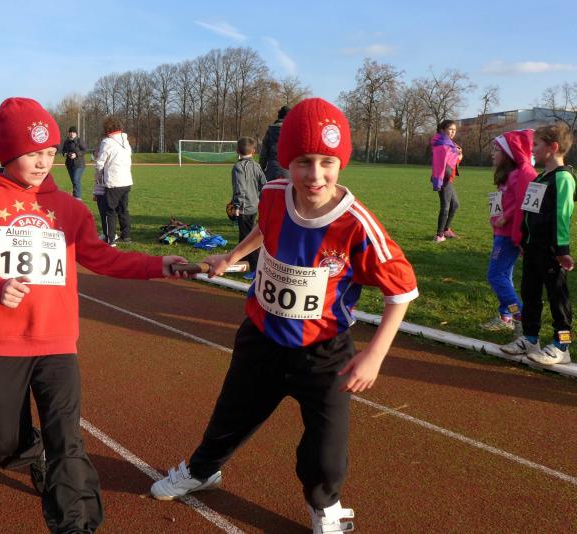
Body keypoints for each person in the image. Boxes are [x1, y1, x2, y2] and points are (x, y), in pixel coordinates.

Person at [150, 98, 419, 533]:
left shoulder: (357, 225)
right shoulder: (274, 193)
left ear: (341, 163)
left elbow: (402, 290)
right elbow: (265, 227)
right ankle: (202, 471)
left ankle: (324, 505)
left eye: (327, 163)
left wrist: (375, 355)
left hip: (323, 352)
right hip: (261, 336)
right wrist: (231, 257)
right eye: (303, 162)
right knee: (229, 418)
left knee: (326, 451)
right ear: (286, 162)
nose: (315, 175)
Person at [0, 97, 189, 533]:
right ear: (7, 152)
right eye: (32, 153)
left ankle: (76, 524)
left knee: (67, 439)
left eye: (50, 152)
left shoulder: (69, 208)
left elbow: (103, 258)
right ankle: (28, 451)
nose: (43, 162)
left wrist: (157, 265)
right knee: (4, 440)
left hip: (55, 340)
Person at [500, 123, 575, 365]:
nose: (532, 149)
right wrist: (523, 239)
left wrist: (562, 250)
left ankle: (562, 345)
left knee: (557, 298)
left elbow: (562, 216)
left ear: (553, 147)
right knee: (530, 294)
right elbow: (529, 211)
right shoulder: (541, 177)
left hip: (551, 251)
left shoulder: (563, 178)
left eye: (537, 145)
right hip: (532, 249)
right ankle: (530, 338)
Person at [480, 130, 536, 332]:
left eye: (496, 150)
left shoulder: (518, 175)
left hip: (507, 236)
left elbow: (522, 202)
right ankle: (506, 317)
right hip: (500, 233)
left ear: (508, 153)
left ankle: (520, 315)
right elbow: (503, 201)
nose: (492, 153)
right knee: (505, 276)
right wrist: (496, 217)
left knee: (495, 276)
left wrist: (506, 217)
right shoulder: (506, 176)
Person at [230, 136, 267, 279]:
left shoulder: (238, 167)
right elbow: (264, 184)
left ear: (237, 150)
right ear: (254, 151)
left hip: (244, 207)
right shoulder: (256, 165)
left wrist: (237, 205)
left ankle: (256, 268)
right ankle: (241, 261)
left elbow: (240, 188)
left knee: (247, 238)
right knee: (245, 234)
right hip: (254, 205)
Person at [94, 117, 133, 245]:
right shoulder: (125, 141)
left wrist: (97, 175)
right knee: (123, 210)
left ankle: (110, 239)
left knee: (109, 211)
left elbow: (100, 163)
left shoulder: (107, 142)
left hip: (113, 182)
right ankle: (126, 236)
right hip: (126, 181)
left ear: (107, 129)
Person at [430, 120, 463, 242]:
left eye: (455, 130)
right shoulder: (442, 144)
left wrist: (457, 154)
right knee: (446, 206)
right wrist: (458, 156)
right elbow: (441, 164)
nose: (453, 132)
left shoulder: (448, 143)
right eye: (450, 129)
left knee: (455, 205)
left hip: (448, 179)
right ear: (442, 130)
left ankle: (445, 230)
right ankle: (439, 235)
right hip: (444, 179)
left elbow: (451, 160)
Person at [259, 105, 290, 181]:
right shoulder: (293, 130)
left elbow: (264, 153)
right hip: (289, 169)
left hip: (272, 169)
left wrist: (261, 169)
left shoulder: (270, 131)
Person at [61, 126, 87, 199]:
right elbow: (63, 151)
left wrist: (76, 154)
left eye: (73, 132)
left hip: (79, 165)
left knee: (76, 180)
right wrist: (67, 154)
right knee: (74, 182)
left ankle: (77, 198)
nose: (72, 133)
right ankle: (75, 197)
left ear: (76, 133)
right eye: (70, 132)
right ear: (68, 133)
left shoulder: (79, 141)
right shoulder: (66, 142)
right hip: (69, 165)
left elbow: (85, 150)